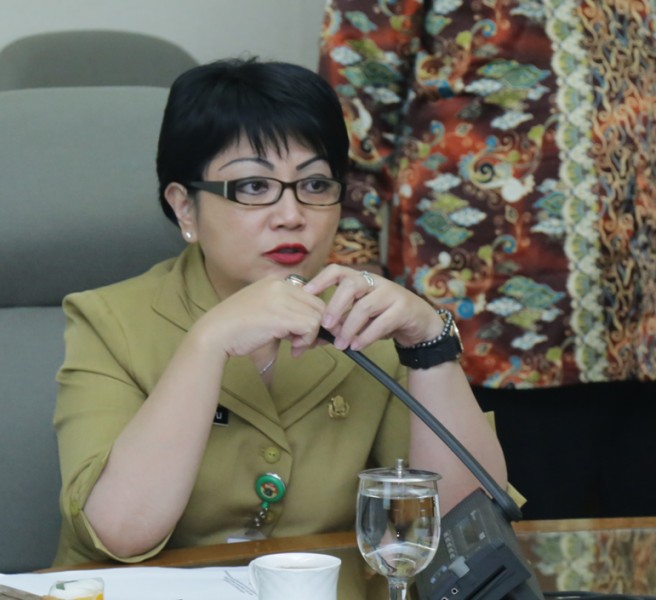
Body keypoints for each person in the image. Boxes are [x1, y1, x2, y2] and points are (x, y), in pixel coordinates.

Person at [52, 57, 508, 567]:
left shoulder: (369, 320)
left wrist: (427, 343)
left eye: (315, 185)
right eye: (253, 187)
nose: (291, 216)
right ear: (185, 207)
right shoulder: (109, 321)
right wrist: (208, 342)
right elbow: (119, 531)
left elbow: (467, 532)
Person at [318, 1, 656, 519]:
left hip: (641, 332)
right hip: (490, 335)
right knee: (507, 547)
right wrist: (356, 294)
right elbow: (349, 123)